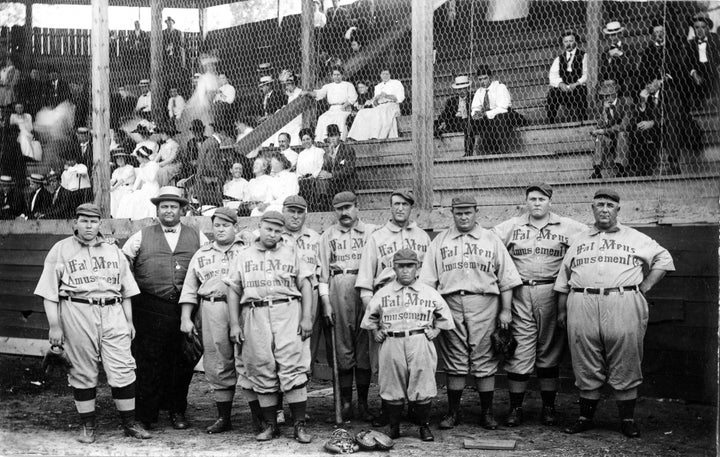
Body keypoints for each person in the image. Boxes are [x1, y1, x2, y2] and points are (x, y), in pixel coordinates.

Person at [556, 188, 675, 438]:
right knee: (584, 359)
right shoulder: (579, 239)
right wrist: (561, 310)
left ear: (618, 210)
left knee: (626, 358)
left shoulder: (635, 237)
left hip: (623, 299)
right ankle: (584, 417)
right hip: (582, 300)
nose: (604, 209)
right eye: (600, 204)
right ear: (592, 209)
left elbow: (663, 259)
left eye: (610, 205)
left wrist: (646, 285)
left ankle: (628, 420)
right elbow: (563, 278)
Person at [34, 203, 151, 443]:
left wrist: (129, 321)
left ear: (100, 224)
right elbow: (49, 293)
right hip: (77, 309)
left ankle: (129, 423)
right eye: (83, 220)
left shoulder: (113, 250)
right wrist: (55, 326)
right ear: (74, 223)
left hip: (113, 310)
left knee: (123, 368)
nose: (88, 225)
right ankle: (87, 425)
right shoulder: (61, 249)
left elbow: (126, 290)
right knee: (81, 369)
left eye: (93, 221)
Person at [419, 195, 521, 431]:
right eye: (459, 212)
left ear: (477, 212)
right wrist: (432, 313)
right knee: (455, 359)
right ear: (451, 213)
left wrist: (506, 311)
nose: (463, 217)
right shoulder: (440, 242)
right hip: (449, 302)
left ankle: (487, 413)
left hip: (483, 301)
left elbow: (506, 280)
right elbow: (428, 283)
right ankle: (453, 412)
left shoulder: (491, 239)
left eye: (468, 212)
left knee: (484, 357)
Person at [491, 183, 587, 427]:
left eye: (541, 199)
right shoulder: (512, 226)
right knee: (519, 351)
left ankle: (549, 407)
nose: (536, 203)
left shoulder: (568, 227)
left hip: (551, 291)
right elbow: (487, 242)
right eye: (532, 199)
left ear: (549, 202)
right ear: (526, 201)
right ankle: (516, 408)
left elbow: (592, 238)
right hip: (520, 290)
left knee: (549, 351)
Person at [225, 211, 315, 444]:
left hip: (287, 310)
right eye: (268, 229)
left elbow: (305, 285)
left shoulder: (291, 251)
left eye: (277, 230)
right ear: (260, 227)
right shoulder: (244, 255)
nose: (272, 234)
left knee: (292, 364)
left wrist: (307, 317)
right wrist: (234, 324)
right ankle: (270, 425)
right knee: (261, 364)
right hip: (255, 312)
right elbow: (233, 290)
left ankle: (299, 425)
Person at [122, 186, 207, 430]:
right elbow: (122, 263)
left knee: (182, 361)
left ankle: (177, 410)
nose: (168, 211)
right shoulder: (141, 236)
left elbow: (210, 261)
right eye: (164, 206)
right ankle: (146, 414)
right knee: (149, 361)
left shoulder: (197, 237)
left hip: (184, 307)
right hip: (149, 307)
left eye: (173, 206)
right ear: (157, 210)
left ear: (182, 210)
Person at [362, 248, 454, 441]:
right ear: (393, 267)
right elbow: (370, 317)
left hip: (419, 339)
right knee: (391, 385)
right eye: (401, 266)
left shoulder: (429, 292)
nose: (405, 271)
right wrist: (375, 331)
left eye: (409, 266)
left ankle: (424, 427)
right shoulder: (383, 293)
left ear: (417, 267)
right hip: (392, 340)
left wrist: (436, 330)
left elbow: (444, 317)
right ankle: (394, 427)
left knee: (423, 383)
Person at [355, 189, 431, 424]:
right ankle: (389, 410)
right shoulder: (377, 237)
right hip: (387, 300)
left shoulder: (422, 237)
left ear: (411, 208)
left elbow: (430, 280)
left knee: (416, 359)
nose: (400, 208)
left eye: (405, 204)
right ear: (390, 207)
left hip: (417, 302)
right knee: (386, 362)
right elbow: (366, 283)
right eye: (396, 204)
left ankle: (415, 409)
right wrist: (374, 318)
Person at [179, 207, 248, 434]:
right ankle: (223, 417)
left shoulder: (247, 249)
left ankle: (264, 417)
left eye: (225, 225)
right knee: (217, 360)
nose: (220, 229)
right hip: (212, 306)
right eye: (216, 225)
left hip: (243, 308)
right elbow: (190, 288)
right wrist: (186, 318)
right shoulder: (202, 253)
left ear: (235, 227)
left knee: (251, 357)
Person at [318, 191, 377, 422]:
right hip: (338, 287)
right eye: (339, 208)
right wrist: (325, 303)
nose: (344, 212)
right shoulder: (328, 235)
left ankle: (363, 403)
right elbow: (322, 274)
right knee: (342, 348)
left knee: (364, 348)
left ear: (357, 207)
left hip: (366, 289)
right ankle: (345, 402)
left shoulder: (372, 232)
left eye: (348, 207)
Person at [469, 65, 520, 155]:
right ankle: (469, 152)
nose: (483, 82)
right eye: (480, 79)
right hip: (488, 118)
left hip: (505, 115)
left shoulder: (500, 87)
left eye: (485, 78)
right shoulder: (479, 91)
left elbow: (503, 108)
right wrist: (476, 114)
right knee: (470, 122)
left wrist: (486, 114)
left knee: (499, 118)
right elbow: (475, 107)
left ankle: (503, 149)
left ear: (490, 77)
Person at [590, 80, 634, 179]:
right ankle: (597, 170)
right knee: (600, 137)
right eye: (604, 96)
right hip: (610, 136)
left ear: (616, 94)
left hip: (626, 136)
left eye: (609, 95)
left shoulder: (626, 103)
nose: (606, 98)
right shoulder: (601, 105)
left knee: (622, 134)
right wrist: (605, 112)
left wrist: (604, 131)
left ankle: (621, 169)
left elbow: (623, 126)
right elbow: (599, 126)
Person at [347, 69, 405, 141]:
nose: (385, 76)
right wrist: (376, 99)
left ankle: (375, 136)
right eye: (383, 74)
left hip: (391, 105)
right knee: (362, 112)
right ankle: (355, 136)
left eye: (387, 74)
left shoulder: (396, 83)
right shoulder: (378, 86)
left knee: (380, 112)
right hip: (379, 106)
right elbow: (374, 103)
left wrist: (387, 96)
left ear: (390, 75)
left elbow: (400, 98)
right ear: (380, 75)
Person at [303, 67, 357, 142]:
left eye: (338, 75)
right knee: (322, 118)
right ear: (332, 76)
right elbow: (319, 93)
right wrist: (308, 93)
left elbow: (353, 97)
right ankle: (321, 140)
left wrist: (345, 105)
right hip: (332, 109)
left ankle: (340, 139)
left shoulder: (348, 85)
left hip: (344, 108)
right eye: (334, 75)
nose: (336, 77)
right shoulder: (328, 86)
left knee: (340, 118)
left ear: (342, 75)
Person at [546, 30, 588, 123]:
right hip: (564, 90)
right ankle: (550, 121)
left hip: (577, 88)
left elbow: (586, 74)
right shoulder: (559, 58)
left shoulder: (584, 56)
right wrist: (560, 84)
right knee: (552, 93)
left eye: (571, 41)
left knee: (581, 92)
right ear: (563, 43)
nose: (568, 44)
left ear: (576, 41)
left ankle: (584, 120)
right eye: (566, 41)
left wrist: (577, 83)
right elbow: (552, 76)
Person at [116, 146, 159, 220]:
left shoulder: (154, 164)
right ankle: (125, 220)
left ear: (142, 157)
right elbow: (138, 179)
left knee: (136, 200)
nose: (137, 159)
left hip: (152, 189)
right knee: (126, 197)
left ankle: (137, 219)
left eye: (138, 157)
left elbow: (151, 178)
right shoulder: (142, 165)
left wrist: (143, 169)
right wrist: (133, 189)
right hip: (145, 188)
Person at [434, 75, 473, 156]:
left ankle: (468, 152)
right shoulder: (451, 101)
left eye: (463, 88)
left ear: (467, 88)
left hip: (468, 122)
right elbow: (445, 114)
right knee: (435, 123)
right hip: (455, 123)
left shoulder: (473, 98)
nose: (461, 91)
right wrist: (443, 122)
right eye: (459, 89)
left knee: (468, 124)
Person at [262, 73, 303, 147]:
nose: (286, 87)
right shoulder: (290, 94)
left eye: (288, 85)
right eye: (286, 85)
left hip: (297, 118)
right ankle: (273, 144)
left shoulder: (299, 92)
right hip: (289, 117)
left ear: (293, 84)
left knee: (282, 126)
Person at [687, 12, 720, 102]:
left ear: (708, 28)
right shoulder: (691, 44)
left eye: (703, 27)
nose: (700, 30)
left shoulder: (715, 39)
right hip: (699, 72)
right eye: (697, 27)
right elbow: (687, 62)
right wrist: (694, 73)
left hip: (714, 70)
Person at [599, 21, 636, 98]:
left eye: (615, 34)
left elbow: (632, 68)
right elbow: (603, 71)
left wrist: (621, 54)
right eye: (611, 35)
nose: (613, 37)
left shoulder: (629, 49)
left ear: (620, 34)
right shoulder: (605, 52)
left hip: (625, 81)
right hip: (610, 82)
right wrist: (609, 58)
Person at [322, 123, 357, 200]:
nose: (333, 138)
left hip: (345, 181)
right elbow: (325, 168)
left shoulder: (348, 150)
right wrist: (329, 156)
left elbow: (348, 169)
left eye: (335, 135)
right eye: (331, 136)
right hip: (332, 184)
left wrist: (332, 175)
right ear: (328, 138)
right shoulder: (327, 152)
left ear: (339, 136)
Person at [296, 128, 326, 211]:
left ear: (312, 139)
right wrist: (299, 177)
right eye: (303, 140)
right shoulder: (301, 154)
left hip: (315, 179)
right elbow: (298, 170)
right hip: (303, 180)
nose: (306, 141)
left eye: (308, 139)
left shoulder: (319, 151)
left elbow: (321, 165)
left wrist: (313, 176)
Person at [195, 123, 224, 207]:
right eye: (225, 135)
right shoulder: (214, 143)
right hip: (209, 184)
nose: (225, 138)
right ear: (221, 133)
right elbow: (210, 163)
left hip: (203, 180)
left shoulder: (207, 141)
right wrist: (219, 176)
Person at [110, 150, 136, 218]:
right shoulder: (116, 170)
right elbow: (113, 181)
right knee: (112, 195)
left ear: (125, 159)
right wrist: (107, 186)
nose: (119, 160)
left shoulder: (129, 167)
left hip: (128, 188)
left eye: (121, 158)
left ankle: (123, 217)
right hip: (119, 188)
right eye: (118, 158)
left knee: (119, 195)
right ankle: (115, 217)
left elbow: (122, 180)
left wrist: (113, 188)